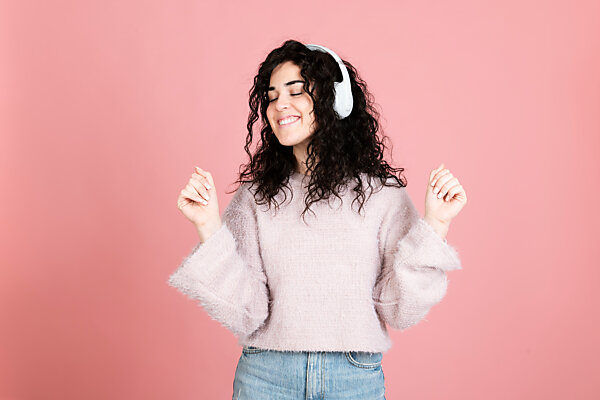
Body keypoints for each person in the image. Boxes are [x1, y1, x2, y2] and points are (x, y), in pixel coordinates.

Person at [168, 39, 467, 400]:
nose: (280, 105)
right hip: (266, 376)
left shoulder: (381, 194)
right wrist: (207, 226)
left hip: (353, 377)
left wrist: (435, 224)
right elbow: (246, 313)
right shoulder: (257, 195)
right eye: (272, 95)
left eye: (297, 92)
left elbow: (400, 310)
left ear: (334, 102)